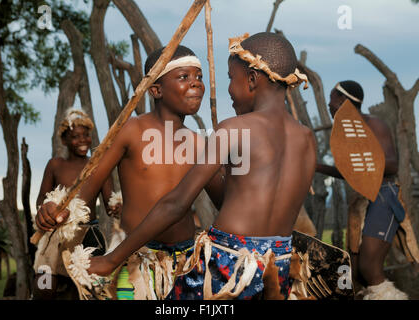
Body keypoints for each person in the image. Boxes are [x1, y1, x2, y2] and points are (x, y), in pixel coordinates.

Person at [86, 32, 316, 300]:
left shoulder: (232, 129)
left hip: (227, 267)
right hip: (278, 266)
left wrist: (112, 259)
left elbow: (176, 205)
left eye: (231, 78)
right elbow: (246, 198)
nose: (228, 89)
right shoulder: (307, 139)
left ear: (252, 80)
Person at [35, 45, 224, 300]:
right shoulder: (131, 130)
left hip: (185, 262)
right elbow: (88, 187)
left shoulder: (199, 144)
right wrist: (57, 209)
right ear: (156, 89)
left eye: (199, 77)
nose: (196, 84)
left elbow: (224, 201)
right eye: (184, 77)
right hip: (134, 260)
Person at [316, 80, 408, 299]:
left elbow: (392, 165)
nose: (330, 105)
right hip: (362, 200)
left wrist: (366, 165)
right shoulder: (345, 132)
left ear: (345, 101)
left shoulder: (373, 124)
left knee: (369, 267)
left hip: (383, 195)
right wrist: (316, 166)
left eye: (333, 99)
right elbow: (351, 171)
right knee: (355, 271)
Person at [33, 108, 119, 299]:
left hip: (88, 235)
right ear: (64, 140)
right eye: (75, 136)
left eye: (86, 135)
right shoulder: (55, 165)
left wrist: (118, 206)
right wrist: (47, 211)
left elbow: (110, 203)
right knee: (44, 281)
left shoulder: (98, 166)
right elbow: (41, 199)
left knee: (90, 289)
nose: (82, 140)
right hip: (56, 235)